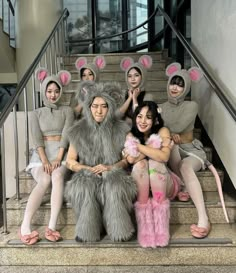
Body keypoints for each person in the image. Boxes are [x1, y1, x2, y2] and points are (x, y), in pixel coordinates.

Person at [65, 80, 137, 243]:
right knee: (85, 186)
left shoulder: (121, 128)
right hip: (86, 173)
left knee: (114, 185)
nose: (99, 110)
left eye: (104, 106)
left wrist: (111, 167)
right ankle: (87, 231)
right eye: (95, 106)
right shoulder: (78, 130)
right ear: (88, 107)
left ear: (110, 108)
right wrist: (86, 168)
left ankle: (119, 231)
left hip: (114, 171)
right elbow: (70, 161)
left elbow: (128, 159)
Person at [18, 68, 74, 245]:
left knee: (57, 175)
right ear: (43, 91)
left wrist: (58, 158)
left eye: (56, 91)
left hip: (61, 153)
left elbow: (66, 135)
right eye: (49, 91)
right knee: (44, 180)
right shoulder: (35, 113)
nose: (53, 95)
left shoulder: (67, 110)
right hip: (40, 155)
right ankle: (25, 226)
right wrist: (44, 161)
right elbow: (36, 139)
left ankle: (52, 226)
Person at [159, 62, 212, 239]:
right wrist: (167, 133)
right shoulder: (162, 106)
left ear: (187, 87)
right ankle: (182, 184)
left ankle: (203, 218)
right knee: (169, 146)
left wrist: (166, 130)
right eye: (173, 82)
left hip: (191, 151)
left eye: (180, 84)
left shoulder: (192, 106)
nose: (175, 87)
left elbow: (178, 125)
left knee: (186, 167)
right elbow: (156, 127)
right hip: (172, 149)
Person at [124, 101, 181, 248]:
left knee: (156, 164)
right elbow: (130, 159)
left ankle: (161, 230)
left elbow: (164, 158)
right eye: (140, 116)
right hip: (141, 186)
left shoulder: (163, 131)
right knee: (141, 165)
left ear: (155, 119)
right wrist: (153, 148)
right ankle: (145, 229)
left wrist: (140, 147)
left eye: (148, 117)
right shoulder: (131, 133)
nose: (142, 121)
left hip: (163, 184)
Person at [119, 55, 153, 124]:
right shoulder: (123, 94)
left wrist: (134, 98)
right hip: (122, 131)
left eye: (136, 75)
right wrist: (129, 98)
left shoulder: (148, 96)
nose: (132, 79)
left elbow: (140, 119)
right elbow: (117, 116)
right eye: (129, 76)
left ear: (142, 76)